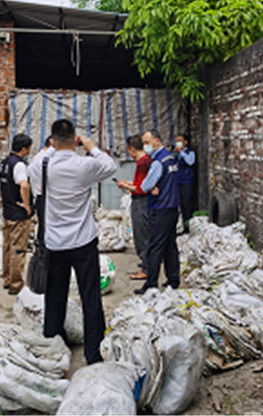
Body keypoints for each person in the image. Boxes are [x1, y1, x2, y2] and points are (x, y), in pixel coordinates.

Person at [28, 119, 116, 364]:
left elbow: (34, 163)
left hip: (54, 243)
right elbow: (110, 166)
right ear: (75, 140)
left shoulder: (42, 165)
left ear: (53, 141)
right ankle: (93, 352)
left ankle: (54, 349)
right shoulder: (85, 165)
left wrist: (49, 149)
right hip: (83, 241)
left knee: (55, 296)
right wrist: (90, 146)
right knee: (90, 295)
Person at [135, 129, 180, 295]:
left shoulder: (158, 162)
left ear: (157, 141)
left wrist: (151, 186)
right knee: (170, 246)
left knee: (154, 247)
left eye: (147, 142)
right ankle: (173, 280)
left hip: (160, 208)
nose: (145, 146)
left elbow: (145, 186)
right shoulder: (171, 159)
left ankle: (151, 283)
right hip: (172, 207)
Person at [0, 134, 33, 295]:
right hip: (18, 213)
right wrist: (27, 204)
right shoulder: (19, 165)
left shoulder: (4, 163)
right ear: (24, 148)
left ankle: (7, 279)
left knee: (7, 247)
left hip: (7, 210)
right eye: (29, 148)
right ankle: (16, 284)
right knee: (18, 249)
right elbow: (24, 185)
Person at [115, 134, 151, 280]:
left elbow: (142, 189)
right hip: (143, 200)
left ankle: (147, 268)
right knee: (144, 233)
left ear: (131, 148)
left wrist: (126, 186)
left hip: (141, 201)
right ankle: (147, 264)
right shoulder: (145, 161)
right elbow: (141, 184)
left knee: (142, 235)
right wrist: (129, 184)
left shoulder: (143, 163)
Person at [174, 133, 196, 233]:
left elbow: (190, 162)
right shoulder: (177, 155)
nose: (178, 142)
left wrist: (181, 152)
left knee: (187, 206)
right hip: (178, 183)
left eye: (180, 140)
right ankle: (183, 227)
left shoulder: (190, 153)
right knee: (181, 207)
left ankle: (189, 228)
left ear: (185, 142)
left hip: (187, 183)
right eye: (177, 140)